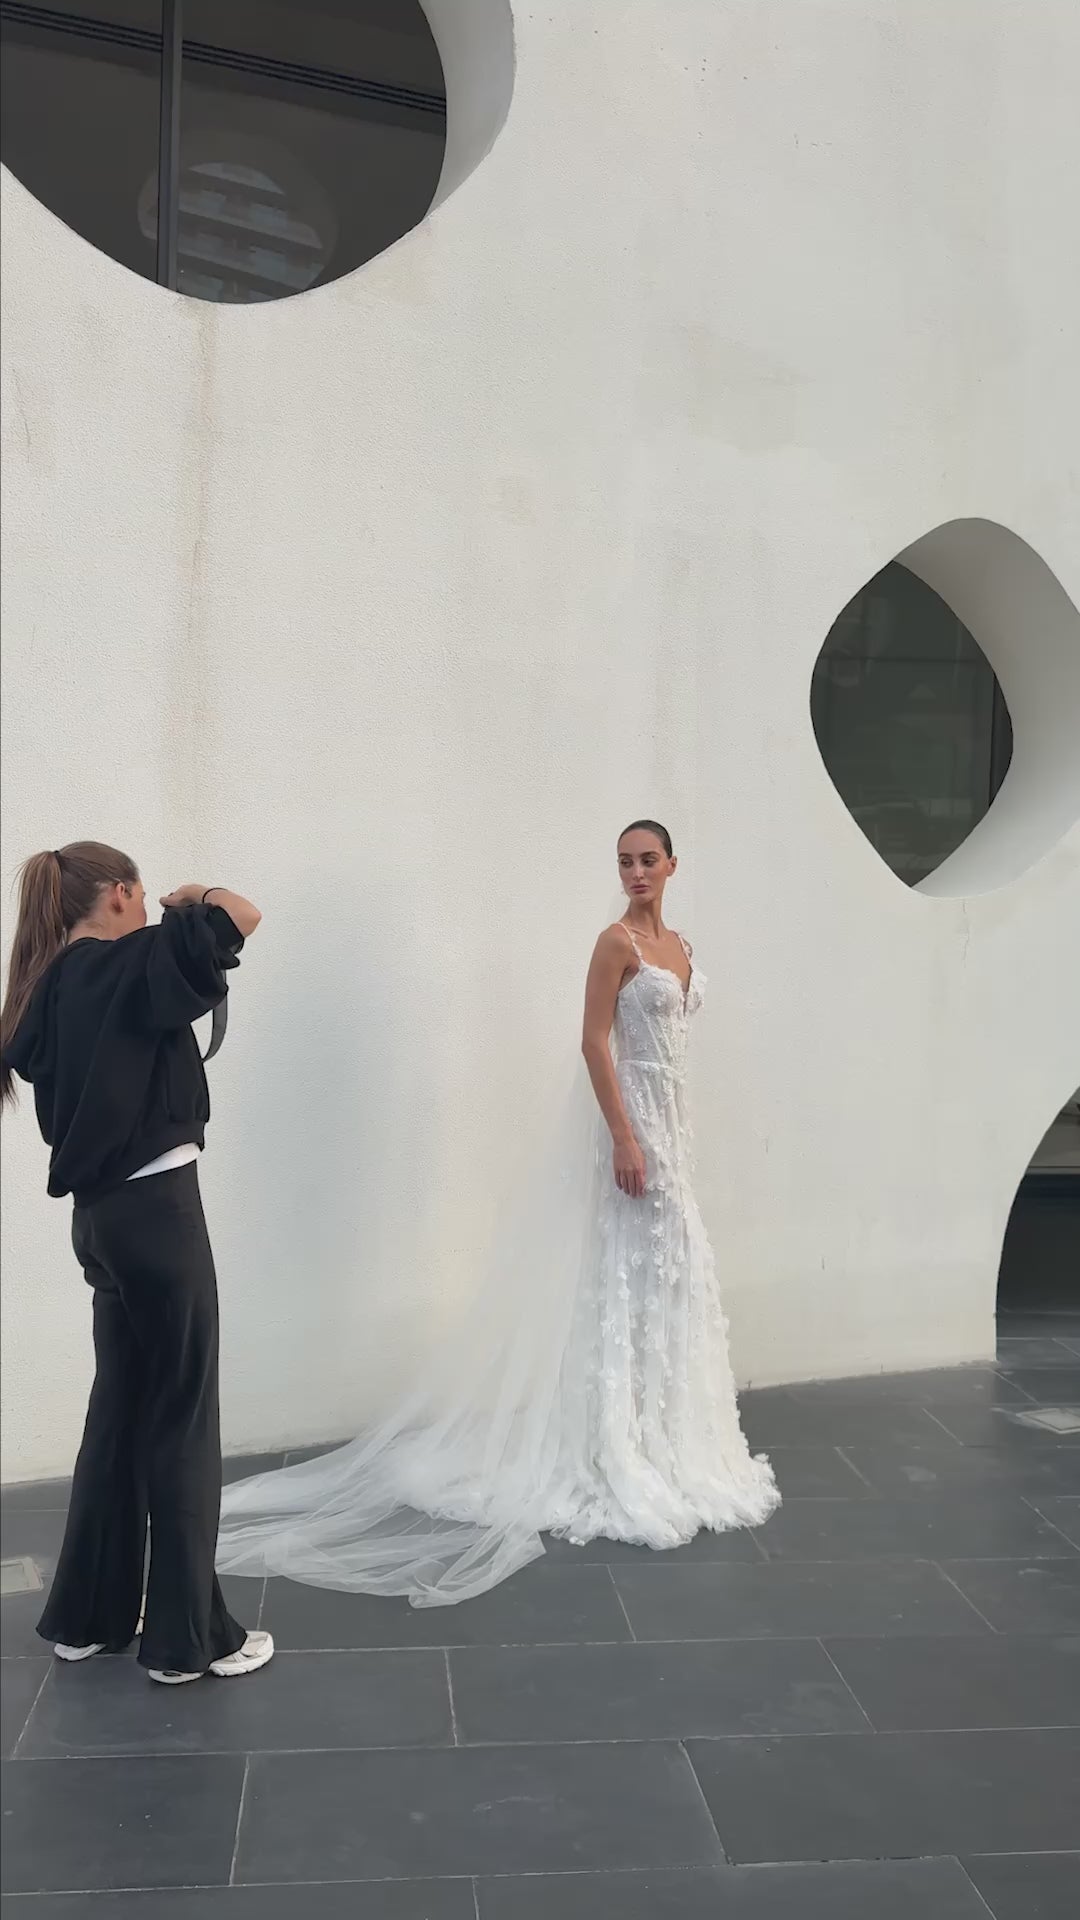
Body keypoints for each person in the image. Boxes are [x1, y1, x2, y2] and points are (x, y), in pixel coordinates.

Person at [216, 820, 778, 1604]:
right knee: (624, 1278)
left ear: (674, 865)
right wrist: (624, 1135)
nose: (636, 872)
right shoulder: (614, 943)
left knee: (675, 1282)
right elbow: (592, 1042)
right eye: (624, 861)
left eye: (648, 860)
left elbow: (675, 1048)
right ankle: (616, 1440)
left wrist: (670, 1134)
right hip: (634, 1133)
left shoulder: (682, 947)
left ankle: (667, 1435)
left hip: (674, 1134)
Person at [0, 842, 274, 1684]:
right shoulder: (130, 965)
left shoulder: (45, 988)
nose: (153, 902)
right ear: (118, 895)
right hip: (159, 1217)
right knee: (184, 1416)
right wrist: (195, 894)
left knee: (119, 1413)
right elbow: (241, 916)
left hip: (100, 1227)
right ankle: (192, 1642)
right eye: (143, 891)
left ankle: (86, 1620)